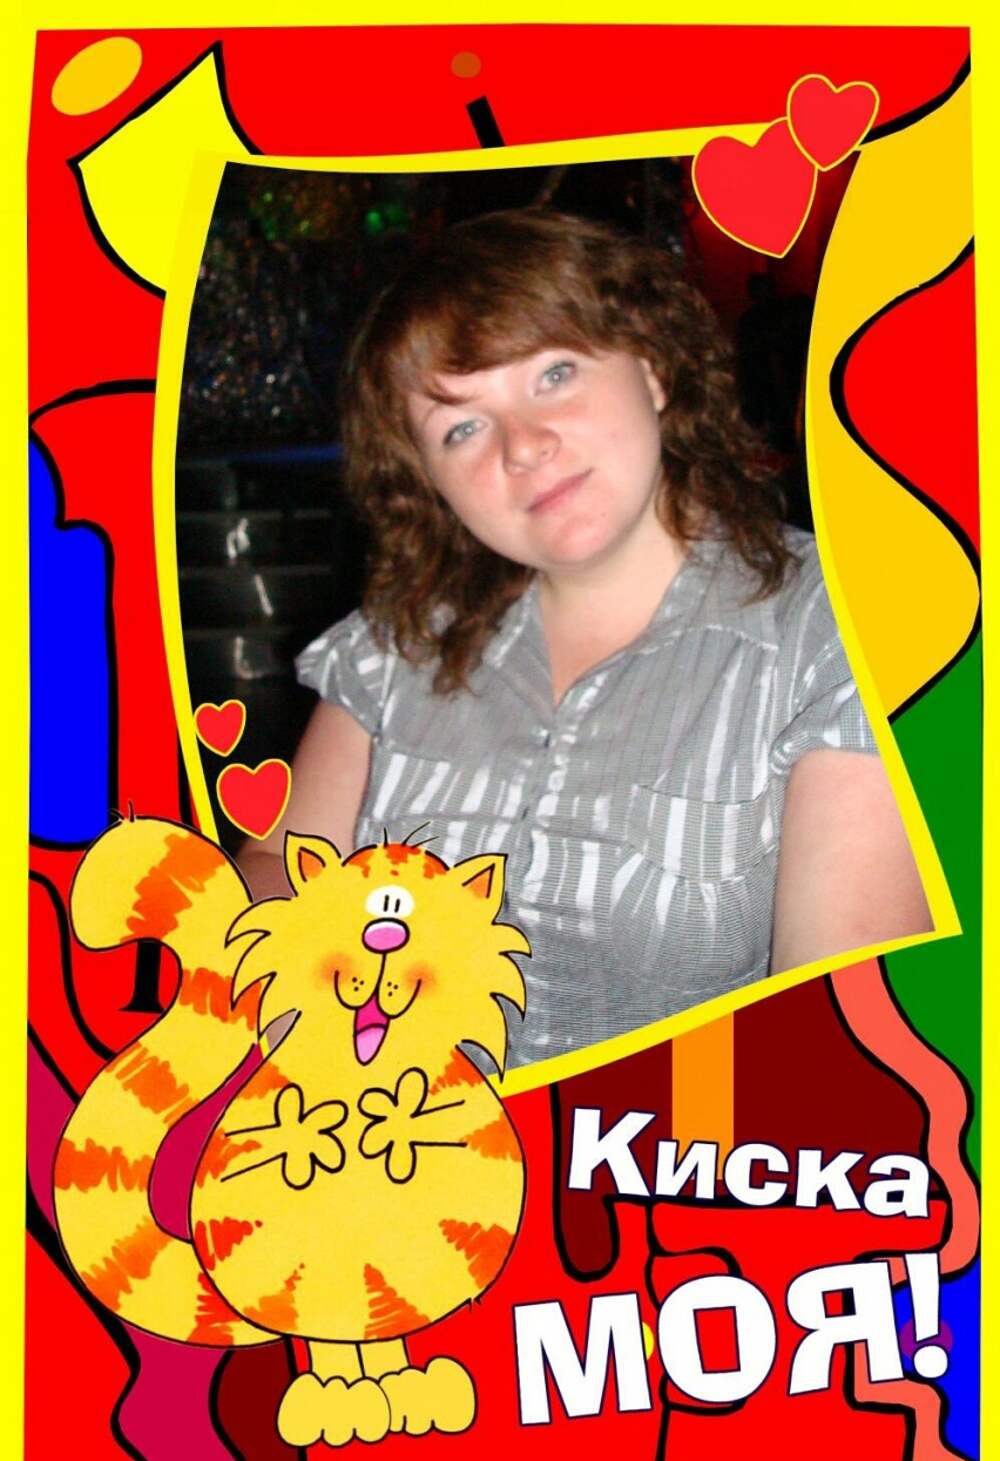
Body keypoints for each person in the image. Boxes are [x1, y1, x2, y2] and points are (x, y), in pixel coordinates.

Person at [238, 208, 930, 1069]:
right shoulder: (396, 646)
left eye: (554, 374)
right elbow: (279, 866)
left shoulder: (839, 627)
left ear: (653, 369)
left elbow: (835, 1049)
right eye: (461, 427)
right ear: (429, 482)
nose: (523, 447)